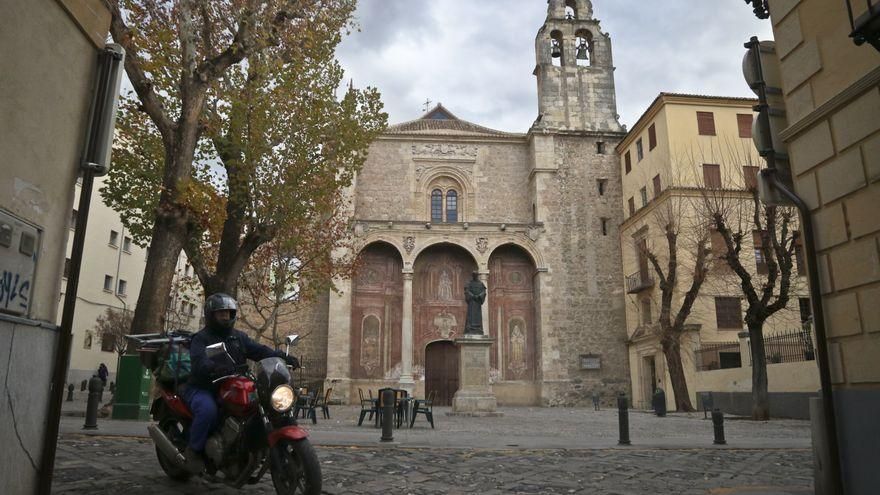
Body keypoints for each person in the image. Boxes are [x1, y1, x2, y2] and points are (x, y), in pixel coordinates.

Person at [183, 293, 299, 474]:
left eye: (228, 313)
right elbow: (199, 360)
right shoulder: (202, 338)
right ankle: (194, 451)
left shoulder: (238, 337)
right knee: (207, 411)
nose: (225, 317)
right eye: (221, 313)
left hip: (232, 384)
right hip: (204, 387)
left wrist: (283, 357)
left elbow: (260, 351)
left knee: (262, 406)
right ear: (211, 315)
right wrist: (213, 367)